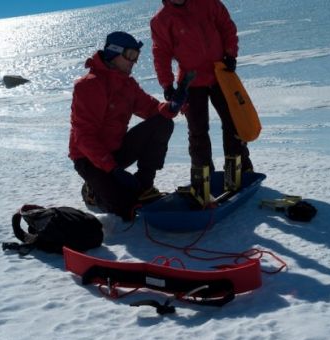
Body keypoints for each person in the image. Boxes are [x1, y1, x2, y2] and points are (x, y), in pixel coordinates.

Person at [69, 31, 187, 221]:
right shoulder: (89, 86)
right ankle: (93, 193)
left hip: (116, 149)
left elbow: (151, 109)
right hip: (89, 158)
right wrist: (113, 169)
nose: (134, 61)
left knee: (162, 123)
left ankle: (144, 185)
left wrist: (172, 106)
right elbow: (83, 137)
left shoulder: (127, 85)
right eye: (130, 55)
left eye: (136, 56)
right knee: (126, 209)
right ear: (113, 53)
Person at [150, 0, 253, 208]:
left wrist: (230, 53)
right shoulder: (161, 20)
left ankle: (238, 173)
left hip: (220, 73)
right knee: (197, 131)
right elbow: (161, 53)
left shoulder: (207, 3)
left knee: (233, 123)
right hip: (191, 80)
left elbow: (226, 25)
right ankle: (202, 183)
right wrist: (168, 85)